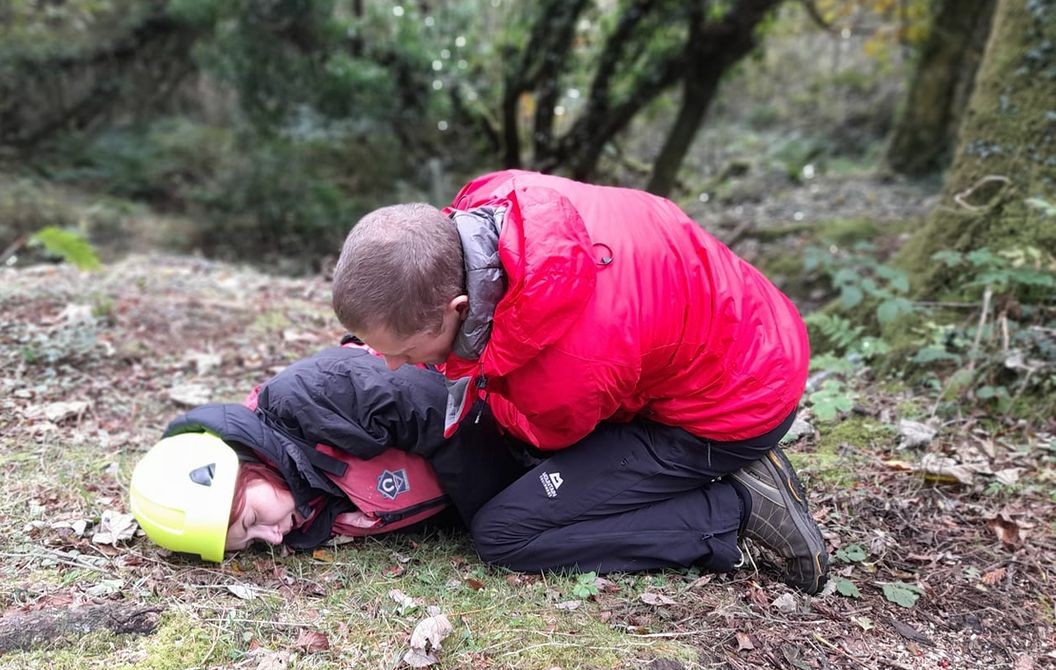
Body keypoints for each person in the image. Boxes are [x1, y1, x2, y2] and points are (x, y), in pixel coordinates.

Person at [330, 169, 829, 593]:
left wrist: (470, 391)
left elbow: (541, 434)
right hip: (757, 330)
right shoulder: (491, 197)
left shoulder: (560, 367)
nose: (394, 365)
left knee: (507, 530)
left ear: (457, 309)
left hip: (738, 405)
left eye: (405, 351)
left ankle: (738, 506)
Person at [128, 342, 527, 560]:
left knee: (501, 540)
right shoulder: (310, 506)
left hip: (520, 409)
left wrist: (498, 510)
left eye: (252, 518)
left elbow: (448, 410)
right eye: (254, 543)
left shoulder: (309, 397)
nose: (274, 538)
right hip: (517, 457)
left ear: (243, 467)